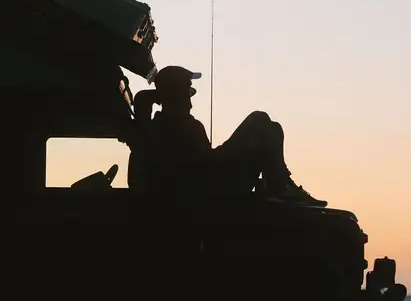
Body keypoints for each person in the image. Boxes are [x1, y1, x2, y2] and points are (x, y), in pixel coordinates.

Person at [126, 65, 326, 205]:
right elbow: (202, 165)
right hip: (208, 192)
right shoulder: (165, 127)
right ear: (176, 93)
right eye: (186, 88)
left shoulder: (183, 125)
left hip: (211, 184)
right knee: (259, 119)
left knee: (272, 129)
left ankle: (279, 183)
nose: (190, 96)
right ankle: (279, 185)